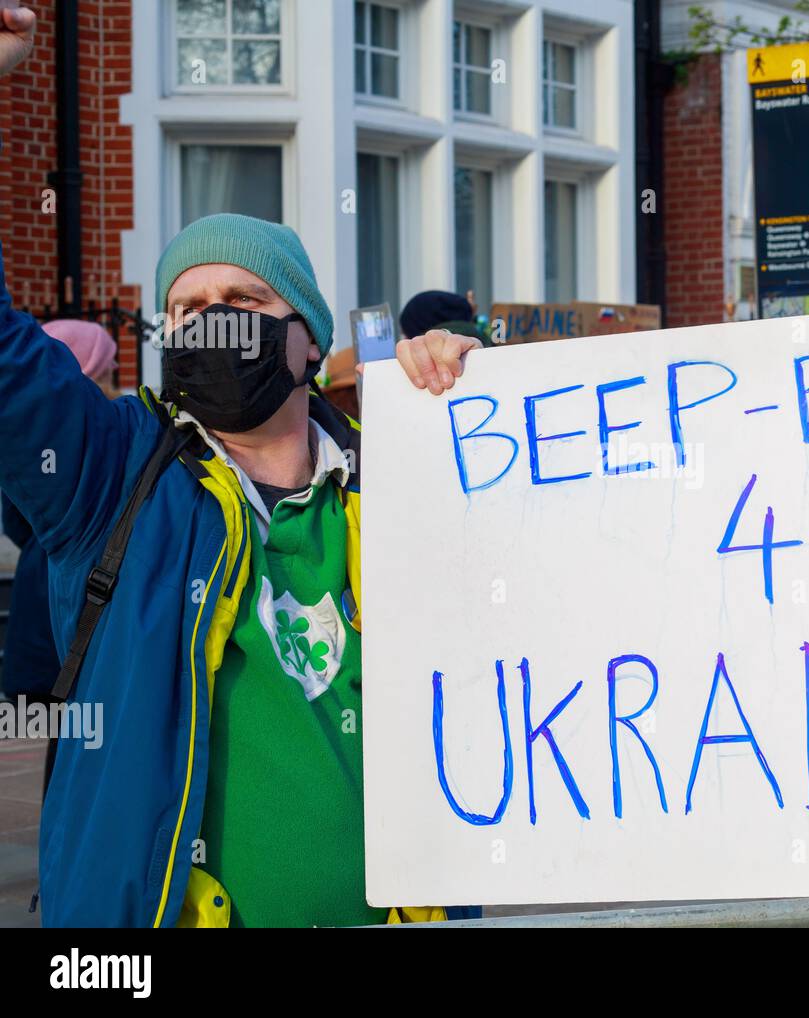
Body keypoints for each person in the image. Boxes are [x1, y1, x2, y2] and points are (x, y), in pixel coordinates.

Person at [0, 7, 480, 927]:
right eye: (189, 308)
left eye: (245, 299)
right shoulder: (111, 477)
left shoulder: (404, 491)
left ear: (308, 342)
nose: (214, 319)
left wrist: (475, 400)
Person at [0, 319, 118, 794]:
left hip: (38, 596)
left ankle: (61, 848)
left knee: (65, 737)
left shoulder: (26, 434)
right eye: (107, 369)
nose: (113, 379)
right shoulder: (100, 437)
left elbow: (14, 517)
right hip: (68, 609)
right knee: (78, 740)